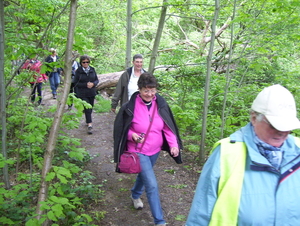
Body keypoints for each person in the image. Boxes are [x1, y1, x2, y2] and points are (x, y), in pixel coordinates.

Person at [186, 84, 300, 226]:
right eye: (274, 125)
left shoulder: (298, 150)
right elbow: (201, 213)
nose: (282, 132)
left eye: (287, 126)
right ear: (254, 118)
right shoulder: (227, 153)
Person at [113, 72, 183, 226]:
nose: (150, 94)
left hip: (155, 150)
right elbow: (123, 129)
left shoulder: (161, 104)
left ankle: (135, 194)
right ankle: (160, 221)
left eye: (152, 90)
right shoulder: (129, 106)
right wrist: (133, 136)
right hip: (138, 150)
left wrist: (173, 144)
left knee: (144, 175)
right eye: (146, 90)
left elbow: (168, 127)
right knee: (151, 184)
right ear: (139, 89)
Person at [73, 55, 99, 134]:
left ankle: (88, 119)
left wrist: (93, 84)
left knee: (90, 108)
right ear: (81, 63)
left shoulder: (92, 69)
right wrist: (85, 84)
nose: (85, 64)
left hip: (91, 92)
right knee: (87, 108)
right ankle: (90, 125)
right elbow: (75, 83)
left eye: (87, 62)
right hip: (82, 93)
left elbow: (96, 80)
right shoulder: (78, 71)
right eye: (84, 62)